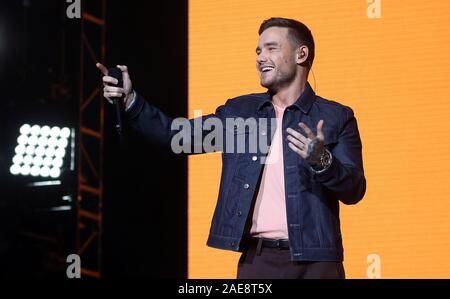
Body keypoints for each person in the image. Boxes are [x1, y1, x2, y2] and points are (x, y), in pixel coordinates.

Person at [96, 17, 366, 279]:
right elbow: (175, 136)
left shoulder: (336, 117)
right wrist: (131, 100)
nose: (261, 57)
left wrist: (323, 161)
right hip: (258, 261)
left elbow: (354, 189)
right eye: (258, 50)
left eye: (271, 48)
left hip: (317, 262)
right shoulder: (240, 113)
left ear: (301, 54)